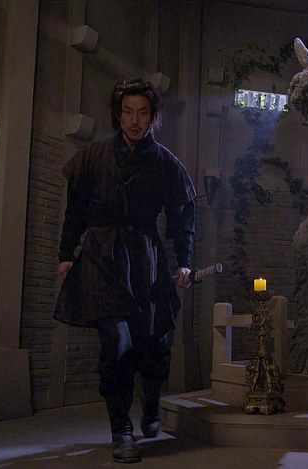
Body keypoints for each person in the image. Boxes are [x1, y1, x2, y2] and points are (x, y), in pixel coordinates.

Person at [53, 79, 196, 464]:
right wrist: (67, 252)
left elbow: (182, 216)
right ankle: (122, 432)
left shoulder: (165, 163)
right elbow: (75, 209)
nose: (135, 121)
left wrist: (183, 260)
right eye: (128, 112)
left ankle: (151, 401)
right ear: (118, 114)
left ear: (153, 117)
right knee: (116, 343)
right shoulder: (92, 157)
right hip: (102, 255)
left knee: (153, 344)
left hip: (146, 258)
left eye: (143, 113)